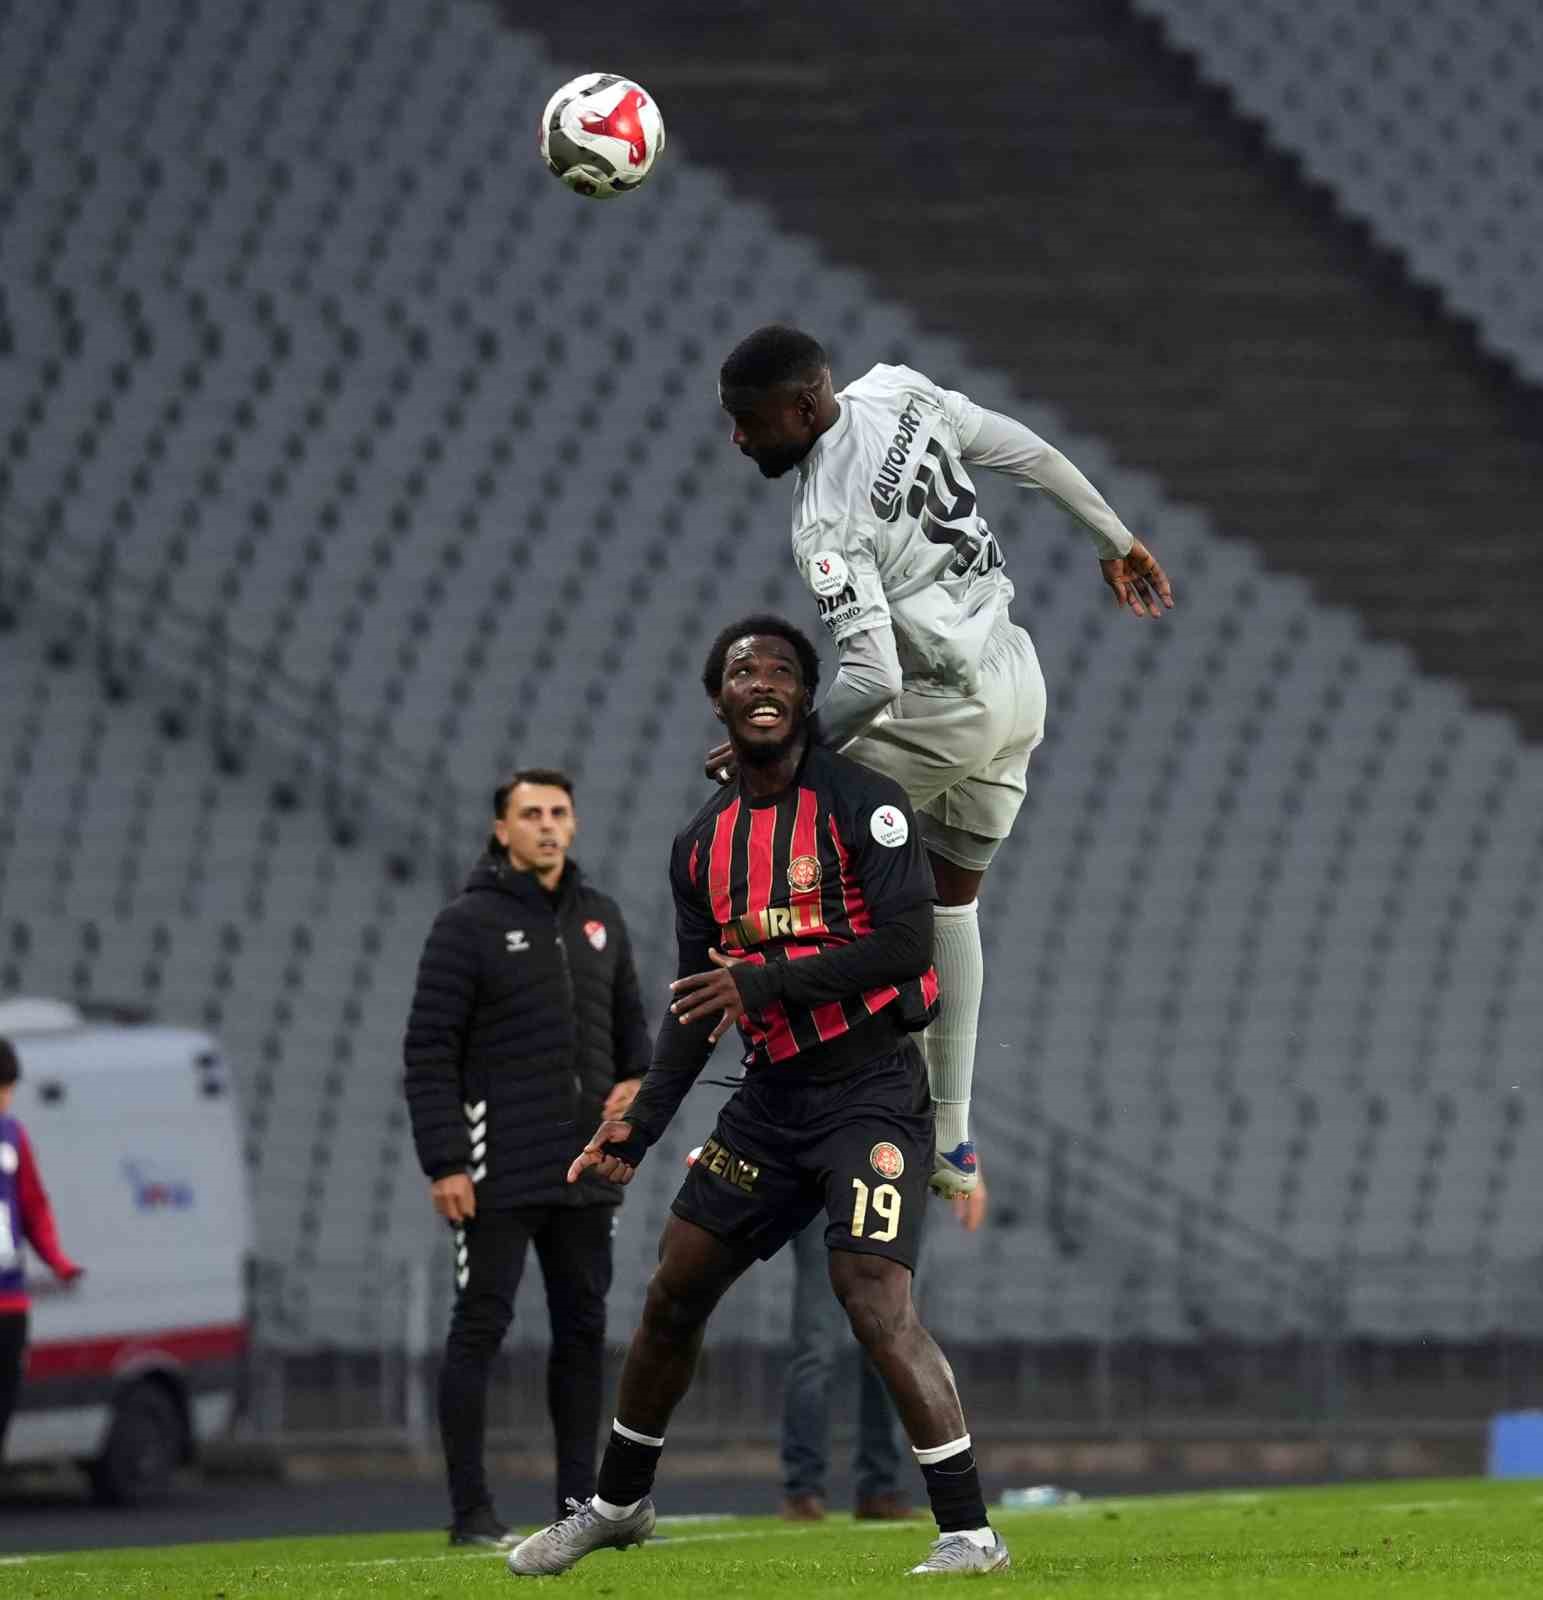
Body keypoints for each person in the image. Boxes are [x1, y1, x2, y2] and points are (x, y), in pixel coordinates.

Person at [508, 616, 1010, 1578]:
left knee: (871, 1298)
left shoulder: (869, 806)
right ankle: (618, 1505)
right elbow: (698, 1007)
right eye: (744, 670)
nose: (763, 680)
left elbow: (908, 944)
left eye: (782, 668)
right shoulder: (701, 847)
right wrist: (639, 1127)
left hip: (869, 1094)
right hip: (772, 1102)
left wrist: (767, 985)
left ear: (806, 698)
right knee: (673, 1288)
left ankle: (969, 1531)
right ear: (721, 700)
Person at [712, 326, 1176, 1198]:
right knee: (953, 899)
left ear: (804, 407)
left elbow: (872, 677)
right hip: (1017, 679)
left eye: (749, 420)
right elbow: (1028, 452)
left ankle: (799, 1103)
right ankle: (954, 1143)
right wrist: (1114, 538)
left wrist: (778, 744)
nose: (739, 439)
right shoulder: (901, 389)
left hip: (943, 703)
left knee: (770, 832)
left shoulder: (824, 518)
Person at [403, 769, 650, 1547]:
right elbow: (428, 1051)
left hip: (586, 1174)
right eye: (531, 814)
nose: (547, 825)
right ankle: (471, 1513)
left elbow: (635, 1041)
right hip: (495, 1168)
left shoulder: (602, 919)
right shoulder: (465, 924)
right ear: (500, 829)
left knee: (582, 1333)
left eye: (559, 813)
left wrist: (635, 1086)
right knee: (480, 1327)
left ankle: (582, 1508)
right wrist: (444, 1161)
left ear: (573, 826)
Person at [781, 1177, 988, 1522]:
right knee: (821, 1348)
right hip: (838, 1184)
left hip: (887, 1184)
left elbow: (943, 1119)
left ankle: (874, 1488)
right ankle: (806, 1490)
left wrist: (968, 1166)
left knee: (883, 1341)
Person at [0, 1037, 84, 1459]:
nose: (7, 1098)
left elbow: (33, 1206)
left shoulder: (13, 1135)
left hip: (10, 1302)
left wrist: (57, 1260)